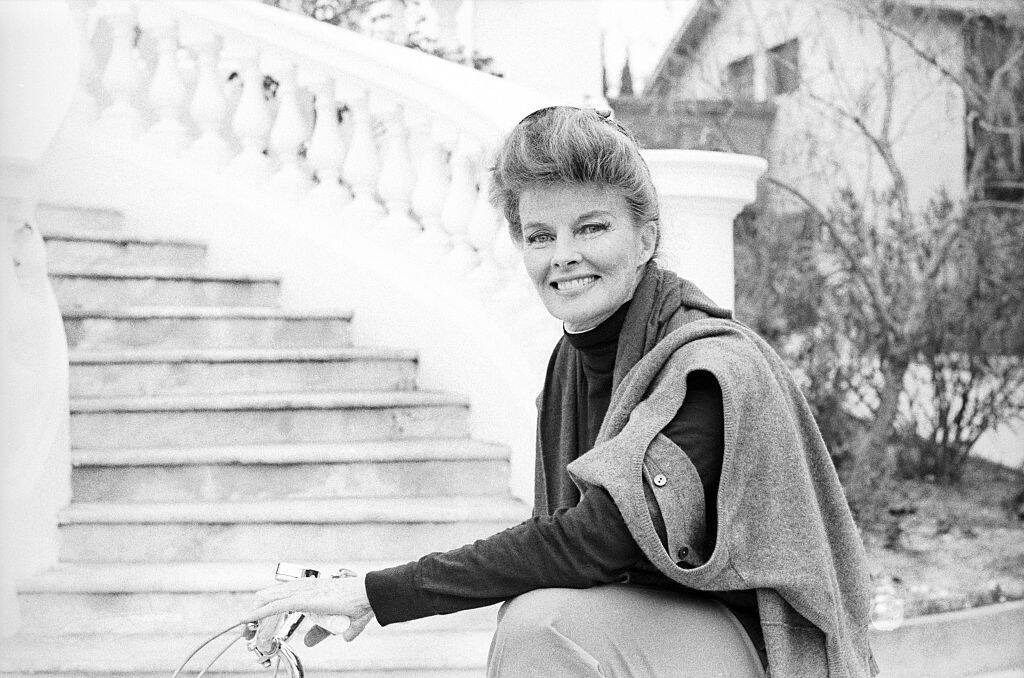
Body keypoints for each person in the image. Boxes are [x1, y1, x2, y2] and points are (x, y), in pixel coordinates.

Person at [244, 106, 877, 678]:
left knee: (542, 627)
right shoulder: (570, 362)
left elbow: (600, 540)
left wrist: (377, 593)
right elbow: (558, 540)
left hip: (763, 650)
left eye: (591, 228)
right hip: (651, 632)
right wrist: (363, 591)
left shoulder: (707, 368)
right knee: (536, 613)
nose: (564, 256)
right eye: (541, 235)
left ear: (646, 238)